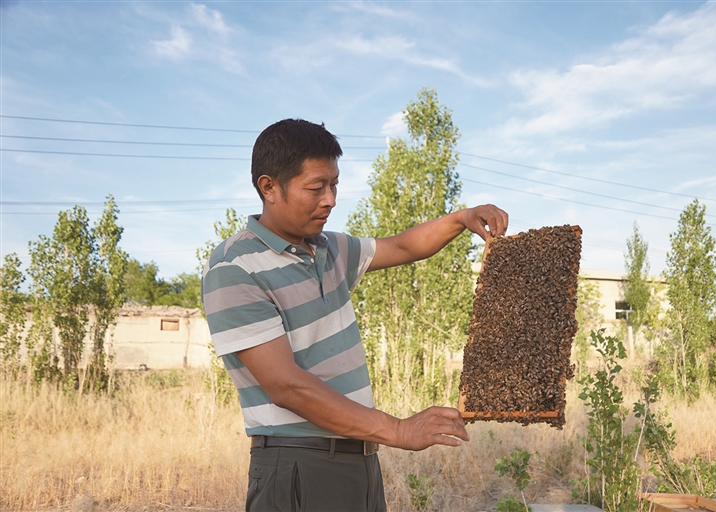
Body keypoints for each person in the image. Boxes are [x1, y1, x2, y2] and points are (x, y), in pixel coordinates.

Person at [201, 118, 508, 512]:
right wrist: (398, 429)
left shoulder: (328, 248)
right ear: (269, 187)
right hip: (297, 466)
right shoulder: (235, 267)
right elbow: (286, 385)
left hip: (359, 461)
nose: (329, 199)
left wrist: (460, 220)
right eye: (316, 187)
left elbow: (402, 247)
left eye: (334, 185)